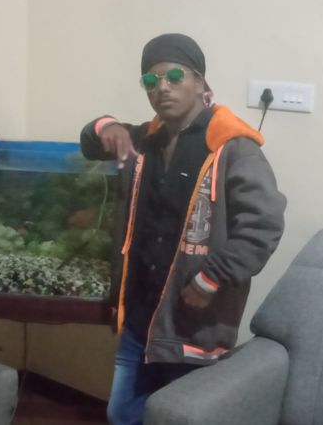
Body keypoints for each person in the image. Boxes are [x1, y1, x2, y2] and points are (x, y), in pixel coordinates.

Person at [80, 33, 286, 425]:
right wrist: (107, 124)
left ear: (200, 82)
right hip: (140, 316)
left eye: (174, 76)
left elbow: (263, 225)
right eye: (151, 80)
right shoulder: (143, 140)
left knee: (181, 417)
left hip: (194, 321)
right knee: (121, 413)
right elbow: (90, 141)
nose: (162, 87)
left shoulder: (234, 148)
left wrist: (212, 278)